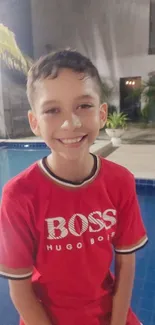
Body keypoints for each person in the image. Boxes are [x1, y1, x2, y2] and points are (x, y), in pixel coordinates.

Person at [0, 49, 148, 325]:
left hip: (108, 312)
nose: (70, 123)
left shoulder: (120, 181)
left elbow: (126, 264)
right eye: (53, 110)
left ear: (102, 113)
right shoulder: (19, 196)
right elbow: (19, 290)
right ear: (35, 122)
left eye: (84, 106)